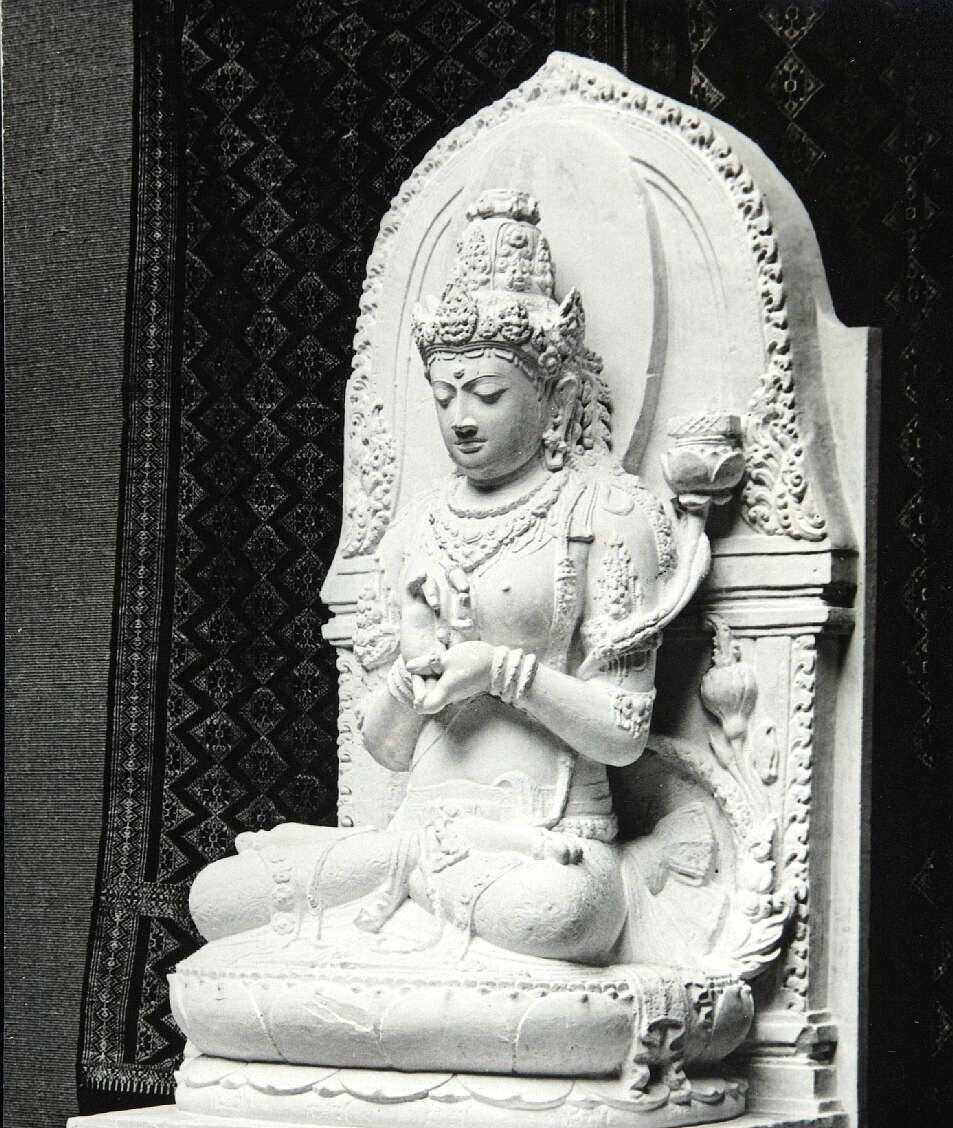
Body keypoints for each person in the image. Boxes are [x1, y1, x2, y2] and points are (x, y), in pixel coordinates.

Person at [190, 191, 709, 966]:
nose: (461, 416)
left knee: (556, 913)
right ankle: (412, 892)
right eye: (444, 395)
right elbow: (387, 749)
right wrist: (414, 674)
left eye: (488, 394)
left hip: (547, 845)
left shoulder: (607, 512)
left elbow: (622, 731)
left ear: (557, 397)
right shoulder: (414, 528)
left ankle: (391, 916)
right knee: (216, 897)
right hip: (415, 838)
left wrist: (498, 671)